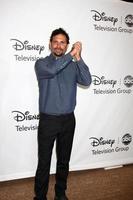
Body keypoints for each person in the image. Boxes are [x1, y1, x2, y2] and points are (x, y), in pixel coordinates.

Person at [34, 28, 92, 200]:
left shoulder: (73, 66)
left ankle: (60, 194)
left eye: (63, 42)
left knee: (63, 161)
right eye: (56, 41)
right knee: (44, 162)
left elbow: (87, 80)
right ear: (50, 43)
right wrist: (71, 54)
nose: (59, 45)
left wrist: (79, 57)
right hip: (48, 120)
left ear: (67, 45)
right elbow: (53, 71)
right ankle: (40, 197)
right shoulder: (41, 64)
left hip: (68, 120)